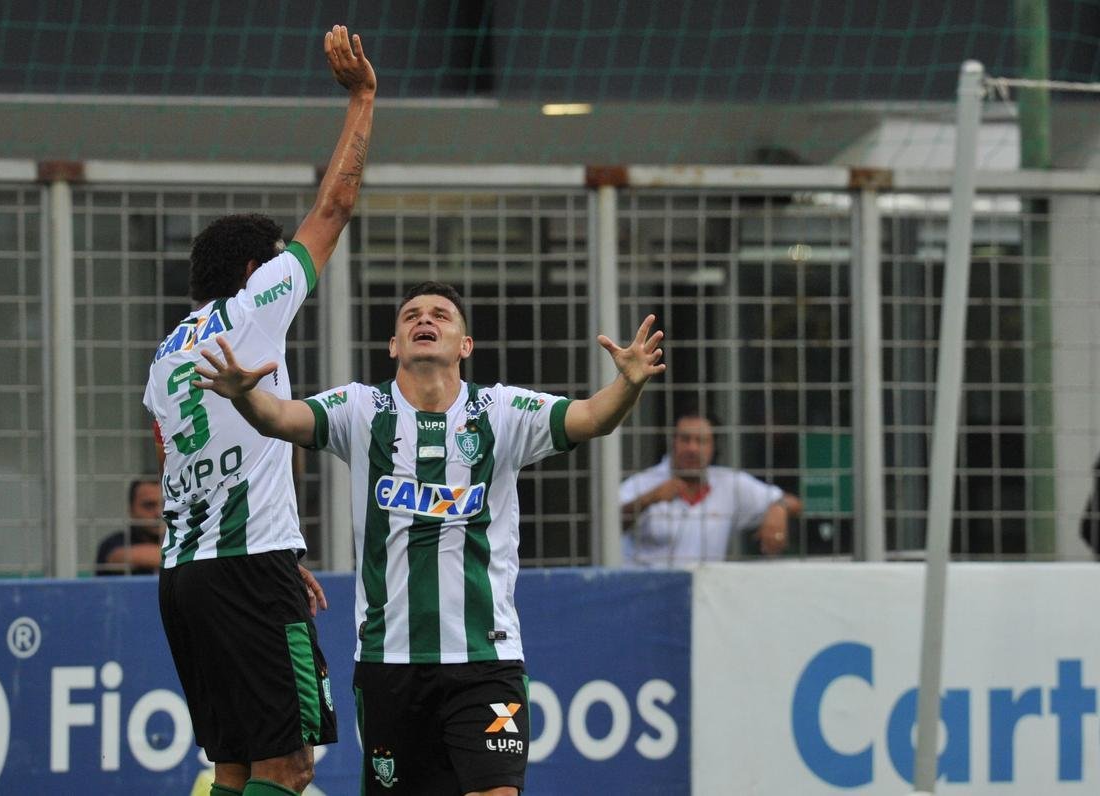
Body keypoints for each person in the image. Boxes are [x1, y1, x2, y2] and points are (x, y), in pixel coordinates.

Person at [191, 281, 665, 796]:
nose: (425, 320)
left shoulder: (502, 412)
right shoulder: (361, 409)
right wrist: (244, 397)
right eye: (412, 315)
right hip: (389, 663)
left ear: (465, 345)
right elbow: (280, 417)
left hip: (486, 659)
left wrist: (630, 383)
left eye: (441, 314)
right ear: (394, 344)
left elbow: (592, 417)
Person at [143, 25, 375, 796]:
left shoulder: (166, 353)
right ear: (253, 268)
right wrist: (362, 99)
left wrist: (278, 540)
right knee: (290, 764)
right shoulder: (255, 304)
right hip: (247, 571)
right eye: (275, 255)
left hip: (187, 574)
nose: (288, 263)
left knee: (233, 765)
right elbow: (336, 207)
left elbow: (172, 458)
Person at [620, 412, 802, 566]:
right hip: (646, 596)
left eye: (701, 441)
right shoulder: (644, 483)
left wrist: (779, 507)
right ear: (672, 442)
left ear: (713, 447)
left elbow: (796, 504)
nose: (692, 448)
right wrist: (648, 499)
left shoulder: (728, 483)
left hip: (706, 599)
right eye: (685, 439)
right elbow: (608, 525)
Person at [94, 478, 165, 575]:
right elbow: (119, 557)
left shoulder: (179, 539)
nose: (159, 513)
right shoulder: (114, 543)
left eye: (165, 504)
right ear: (131, 510)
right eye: (149, 505)